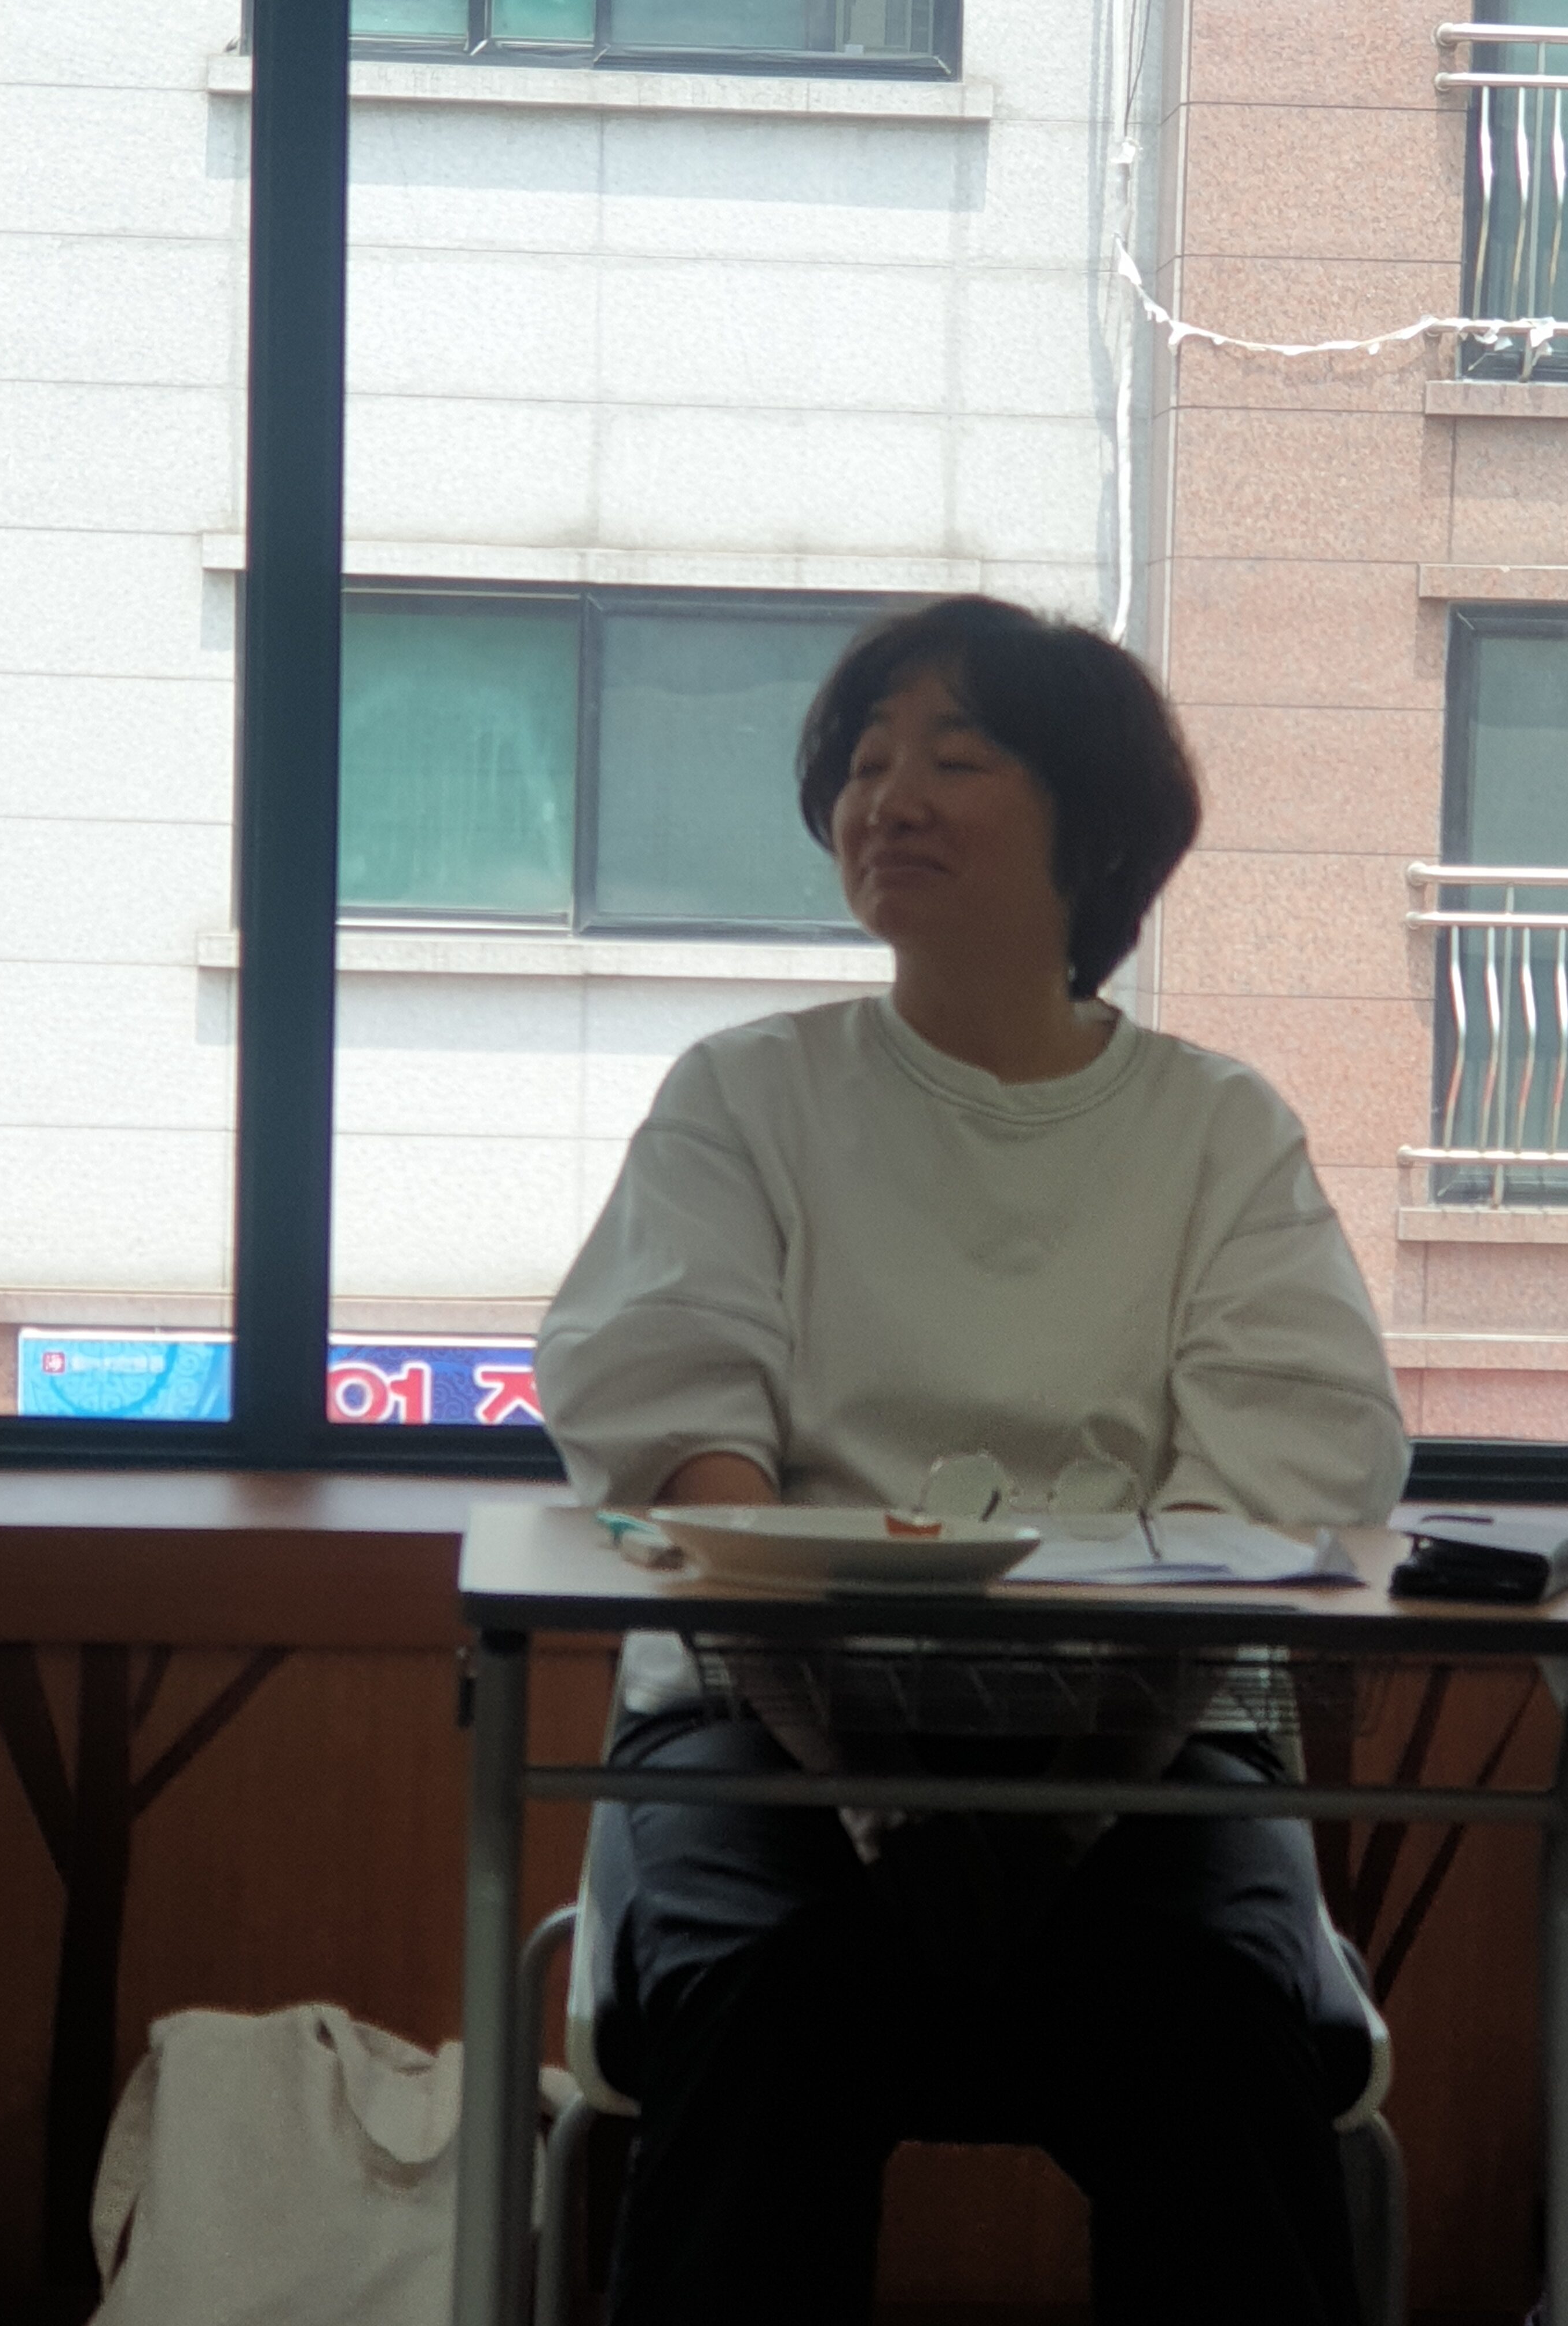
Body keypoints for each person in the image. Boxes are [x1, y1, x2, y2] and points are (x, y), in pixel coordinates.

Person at [535, 594, 1409, 2325]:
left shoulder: (1216, 1130)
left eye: (957, 755)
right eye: (866, 763)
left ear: (1093, 823)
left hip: (1148, 1736)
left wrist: (1059, 1805)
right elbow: (676, 1423)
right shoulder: (746, 1097)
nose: (892, 798)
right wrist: (871, 1791)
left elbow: (1285, 1471)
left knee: (1215, 2016)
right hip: (763, 1723)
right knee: (769, 1997)